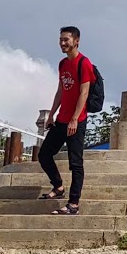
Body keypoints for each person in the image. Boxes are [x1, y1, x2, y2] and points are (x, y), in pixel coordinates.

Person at [37, 25, 97, 215]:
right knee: (44, 154)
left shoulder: (84, 63)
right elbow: (61, 90)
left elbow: (84, 92)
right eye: (61, 39)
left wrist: (74, 119)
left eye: (66, 40)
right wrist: (52, 114)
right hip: (61, 120)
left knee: (76, 163)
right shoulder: (63, 64)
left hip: (76, 122)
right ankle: (58, 186)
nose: (62, 43)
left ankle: (74, 203)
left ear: (76, 41)